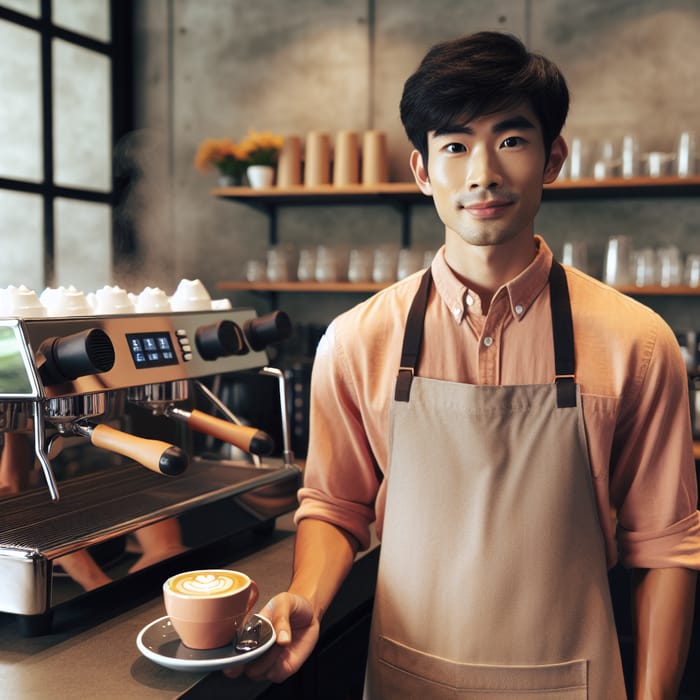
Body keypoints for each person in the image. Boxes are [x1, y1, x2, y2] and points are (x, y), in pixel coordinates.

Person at [228, 32, 700, 698]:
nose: (483, 172)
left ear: (552, 158)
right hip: (409, 677)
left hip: (577, 680)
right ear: (423, 171)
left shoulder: (638, 342)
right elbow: (336, 504)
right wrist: (306, 595)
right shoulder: (356, 339)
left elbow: (667, 548)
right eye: (454, 146)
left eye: (511, 140)